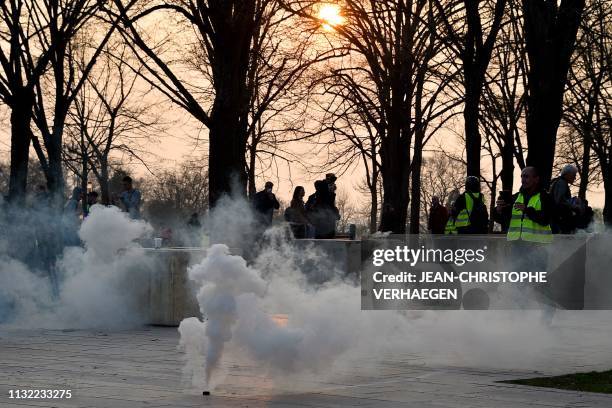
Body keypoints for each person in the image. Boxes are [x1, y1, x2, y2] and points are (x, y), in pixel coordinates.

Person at [549, 165, 582, 234]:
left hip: (556, 219)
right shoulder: (562, 183)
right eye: (574, 175)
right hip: (559, 220)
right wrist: (574, 205)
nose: (575, 178)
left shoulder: (557, 182)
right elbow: (559, 201)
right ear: (567, 174)